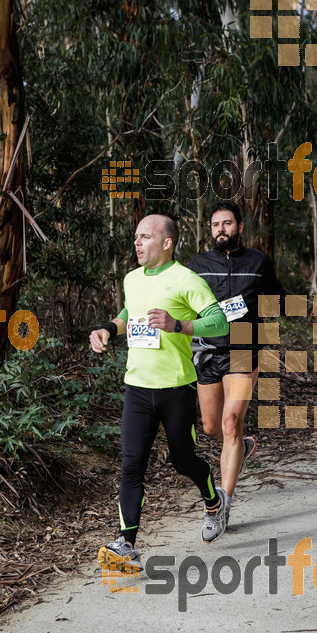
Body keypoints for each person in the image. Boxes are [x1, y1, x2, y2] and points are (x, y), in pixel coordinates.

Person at [90, 214, 230, 571]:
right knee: (131, 466)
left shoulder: (186, 279)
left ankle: (214, 501)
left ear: (167, 243)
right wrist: (109, 329)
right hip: (137, 386)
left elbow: (218, 320)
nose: (137, 243)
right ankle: (126, 544)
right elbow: (129, 312)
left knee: (182, 461)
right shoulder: (132, 278)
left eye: (145, 237)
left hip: (176, 388)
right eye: (135, 237)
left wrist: (178, 325)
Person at [188, 201, 285, 522]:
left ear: (239, 227)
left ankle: (223, 505)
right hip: (207, 349)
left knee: (231, 421)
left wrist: (258, 316)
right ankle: (240, 445)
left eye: (227, 224)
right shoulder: (198, 264)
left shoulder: (258, 262)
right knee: (211, 425)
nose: (221, 229)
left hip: (245, 348)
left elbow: (278, 300)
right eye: (216, 224)